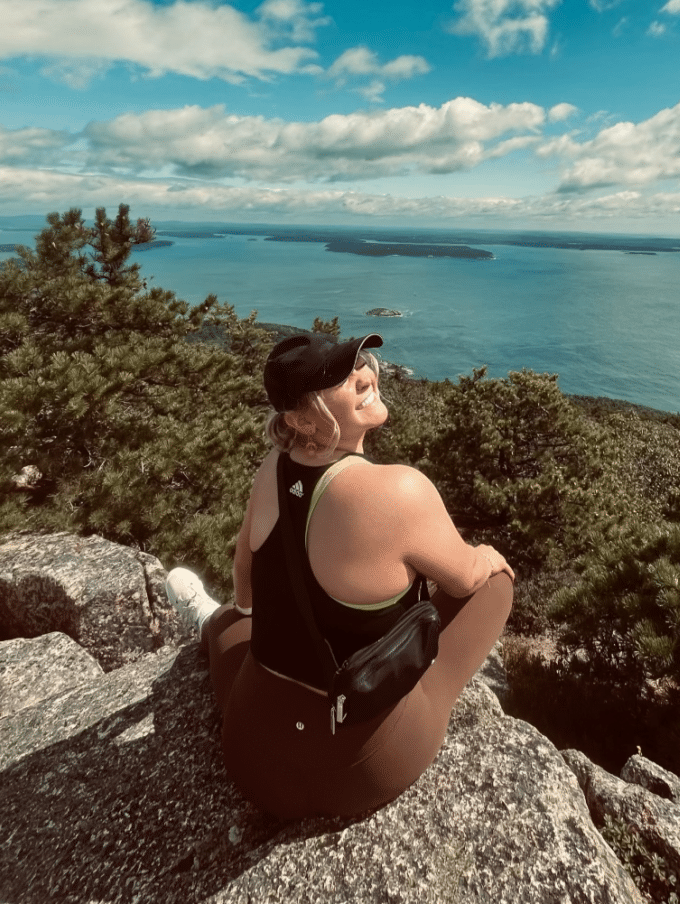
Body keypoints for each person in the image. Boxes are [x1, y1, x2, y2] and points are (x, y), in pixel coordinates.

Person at [166, 332, 514, 819]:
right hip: (357, 771)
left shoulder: (271, 469)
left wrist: (242, 617)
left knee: (233, 624)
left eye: (361, 364)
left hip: (249, 755)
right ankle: (425, 698)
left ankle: (209, 625)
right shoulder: (400, 490)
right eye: (341, 376)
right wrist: (486, 555)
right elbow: (464, 581)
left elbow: (244, 570)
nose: (367, 375)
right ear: (301, 418)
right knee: (496, 586)